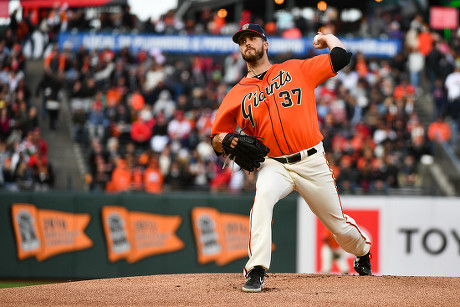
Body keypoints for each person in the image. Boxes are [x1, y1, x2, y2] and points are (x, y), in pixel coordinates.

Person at [210, 24, 372, 293]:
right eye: (242, 41)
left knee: (338, 226)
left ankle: (362, 250)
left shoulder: (295, 69)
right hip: (274, 164)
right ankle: (257, 269)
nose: (247, 43)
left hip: (311, 160)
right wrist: (224, 140)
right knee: (262, 199)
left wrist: (327, 38)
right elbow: (215, 138)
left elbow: (341, 57)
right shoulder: (235, 94)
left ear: (266, 44)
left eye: (252, 38)